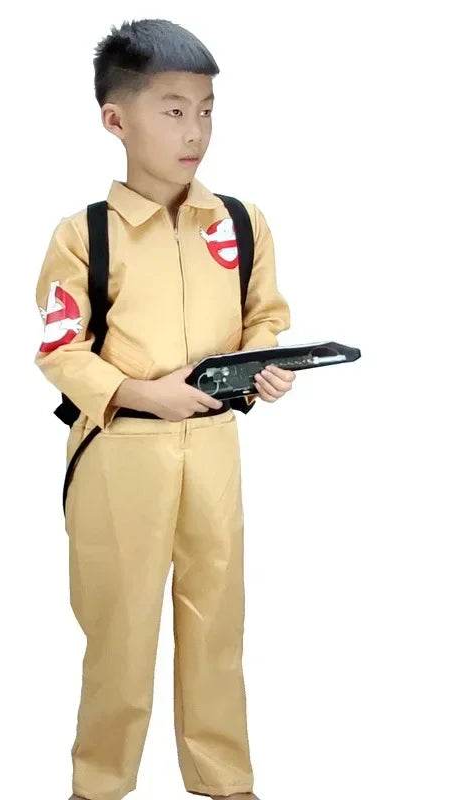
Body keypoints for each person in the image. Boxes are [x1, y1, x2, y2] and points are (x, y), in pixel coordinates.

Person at [34, 18, 295, 800]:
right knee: (120, 629)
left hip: (213, 449)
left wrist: (265, 364)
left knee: (217, 620)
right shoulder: (86, 235)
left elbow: (265, 315)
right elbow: (60, 348)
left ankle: (225, 780)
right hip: (120, 451)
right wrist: (142, 392)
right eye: (173, 110)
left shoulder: (239, 222)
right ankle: (99, 783)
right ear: (116, 119)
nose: (195, 131)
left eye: (207, 110)